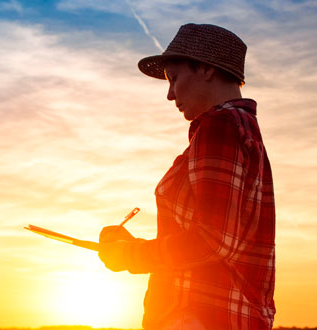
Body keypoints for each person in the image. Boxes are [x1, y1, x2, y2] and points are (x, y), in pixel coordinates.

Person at [98, 23, 276, 330]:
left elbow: (211, 241)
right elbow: (218, 238)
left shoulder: (220, 126)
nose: (169, 95)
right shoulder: (243, 130)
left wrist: (130, 253)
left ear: (206, 69)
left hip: (199, 317)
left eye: (174, 78)